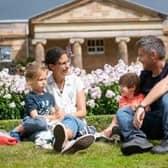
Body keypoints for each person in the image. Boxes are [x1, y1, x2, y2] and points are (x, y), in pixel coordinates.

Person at [116, 35, 168, 155]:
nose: (139, 59)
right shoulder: (144, 76)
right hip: (151, 121)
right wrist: (136, 106)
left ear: (153, 55)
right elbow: (134, 100)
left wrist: (142, 106)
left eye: (141, 55)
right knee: (123, 111)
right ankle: (137, 139)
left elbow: (164, 85)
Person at [44, 47, 95, 154]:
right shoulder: (45, 85)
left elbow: (82, 112)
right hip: (55, 124)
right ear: (51, 66)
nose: (67, 66)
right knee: (59, 126)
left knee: (69, 120)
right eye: (62, 63)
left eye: (67, 62)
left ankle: (63, 138)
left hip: (76, 121)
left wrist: (65, 115)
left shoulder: (76, 81)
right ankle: (66, 143)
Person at [10, 61, 57, 141]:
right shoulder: (31, 97)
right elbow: (35, 116)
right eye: (40, 80)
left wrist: (54, 117)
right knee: (41, 123)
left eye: (45, 79)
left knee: (49, 130)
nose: (44, 82)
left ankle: (27, 136)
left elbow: (54, 113)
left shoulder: (49, 96)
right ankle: (17, 130)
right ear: (30, 81)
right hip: (34, 122)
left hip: (44, 124)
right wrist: (50, 118)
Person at [96, 72, 145, 142]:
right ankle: (111, 132)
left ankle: (108, 132)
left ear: (133, 87)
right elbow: (120, 114)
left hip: (137, 123)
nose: (120, 88)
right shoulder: (123, 99)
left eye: (123, 86)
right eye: (120, 86)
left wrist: (137, 107)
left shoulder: (140, 97)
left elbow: (145, 108)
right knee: (118, 117)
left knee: (118, 119)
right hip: (124, 123)